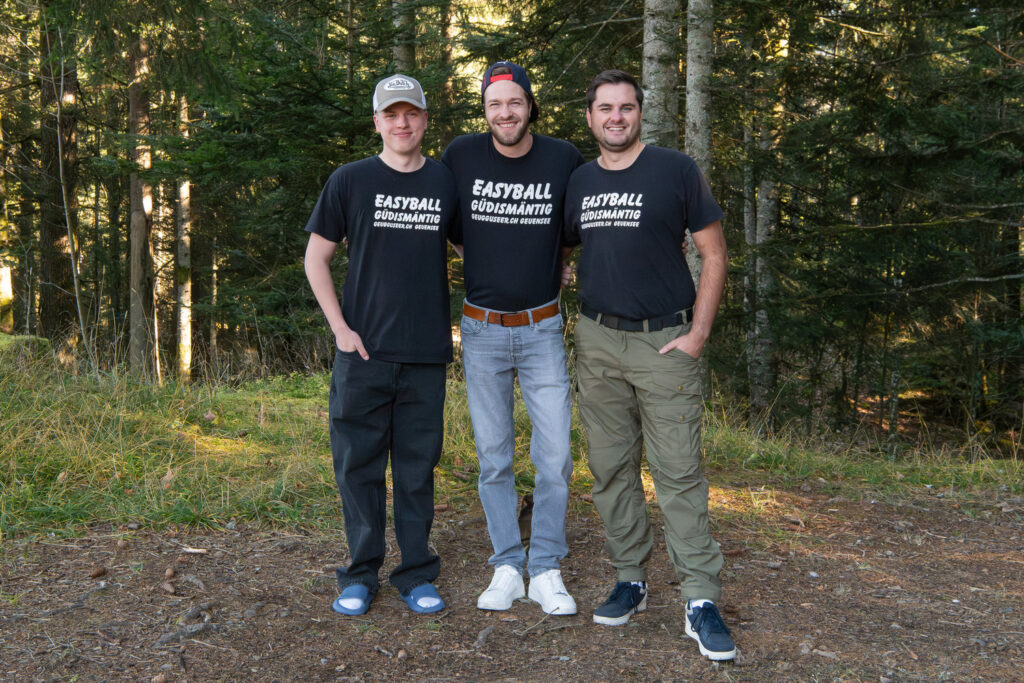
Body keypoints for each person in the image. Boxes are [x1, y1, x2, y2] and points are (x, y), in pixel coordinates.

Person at [563, 70, 736, 661]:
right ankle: (630, 579)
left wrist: (698, 334)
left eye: (626, 107)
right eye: (605, 108)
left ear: (640, 113)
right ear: (590, 117)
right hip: (598, 341)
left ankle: (699, 597)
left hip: (665, 341)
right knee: (610, 468)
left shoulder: (676, 170)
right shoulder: (579, 180)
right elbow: (564, 244)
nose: (616, 117)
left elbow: (714, 254)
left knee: (678, 470)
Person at [304, 74, 458, 617]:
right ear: (377, 122)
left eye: (411, 113)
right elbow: (316, 257)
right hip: (363, 355)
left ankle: (416, 574)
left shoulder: (445, 181)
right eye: (391, 114)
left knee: (416, 471)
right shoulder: (350, 180)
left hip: (425, 356)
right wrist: (340, 330)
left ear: (424, 119)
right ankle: (359, 574)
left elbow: (483, 246)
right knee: (358, 468)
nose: (402, 123)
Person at [442, 61, 583, 615]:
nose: (506, 113)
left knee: (556, 457)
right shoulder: (460, 156)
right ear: (485, 110)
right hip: (481, 330)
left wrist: (553, 264)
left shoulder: (562, 158)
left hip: (542, 327)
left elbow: (572, 228)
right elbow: (451, 229)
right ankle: (506, 563)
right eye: (495, 104)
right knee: (494, 458)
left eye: (515, 102)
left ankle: (545, 567)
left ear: (530, 106)